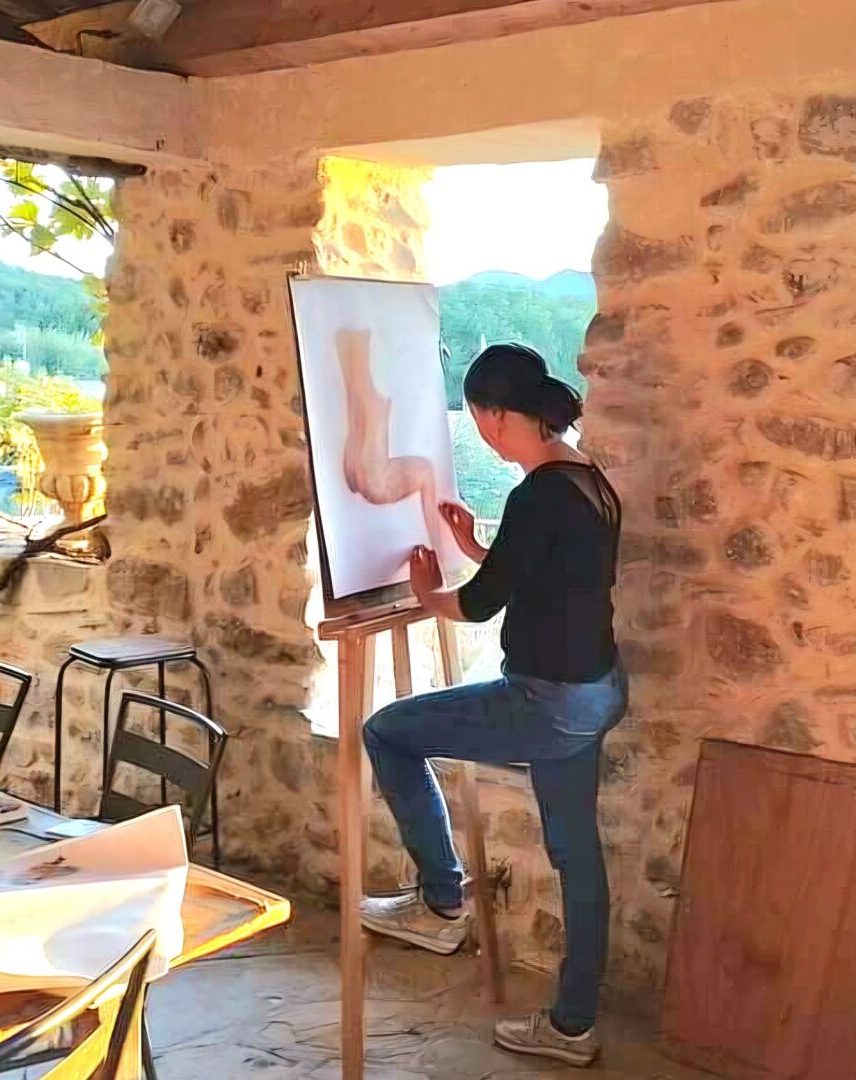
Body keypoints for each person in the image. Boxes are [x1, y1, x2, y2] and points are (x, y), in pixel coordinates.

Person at [358, 343, 623, 1067]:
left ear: (501, 414)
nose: (481, 433)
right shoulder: (589, 480)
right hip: (595, 692)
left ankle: (441, 900)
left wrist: (425, 593)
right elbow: (543, 577)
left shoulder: (536, 493)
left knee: (386, 731)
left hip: (546, 701)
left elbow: (476, 607)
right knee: (577, 857)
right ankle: (573, 1025)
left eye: (480, 420)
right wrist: (477, 545)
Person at [334, 326, 445, 567]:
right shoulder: (371, 388)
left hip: (357, 466)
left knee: (359, 390)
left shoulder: (361, 385)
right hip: (371, 476)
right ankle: (441, 554)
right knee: (425, 470)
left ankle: (440, 552)